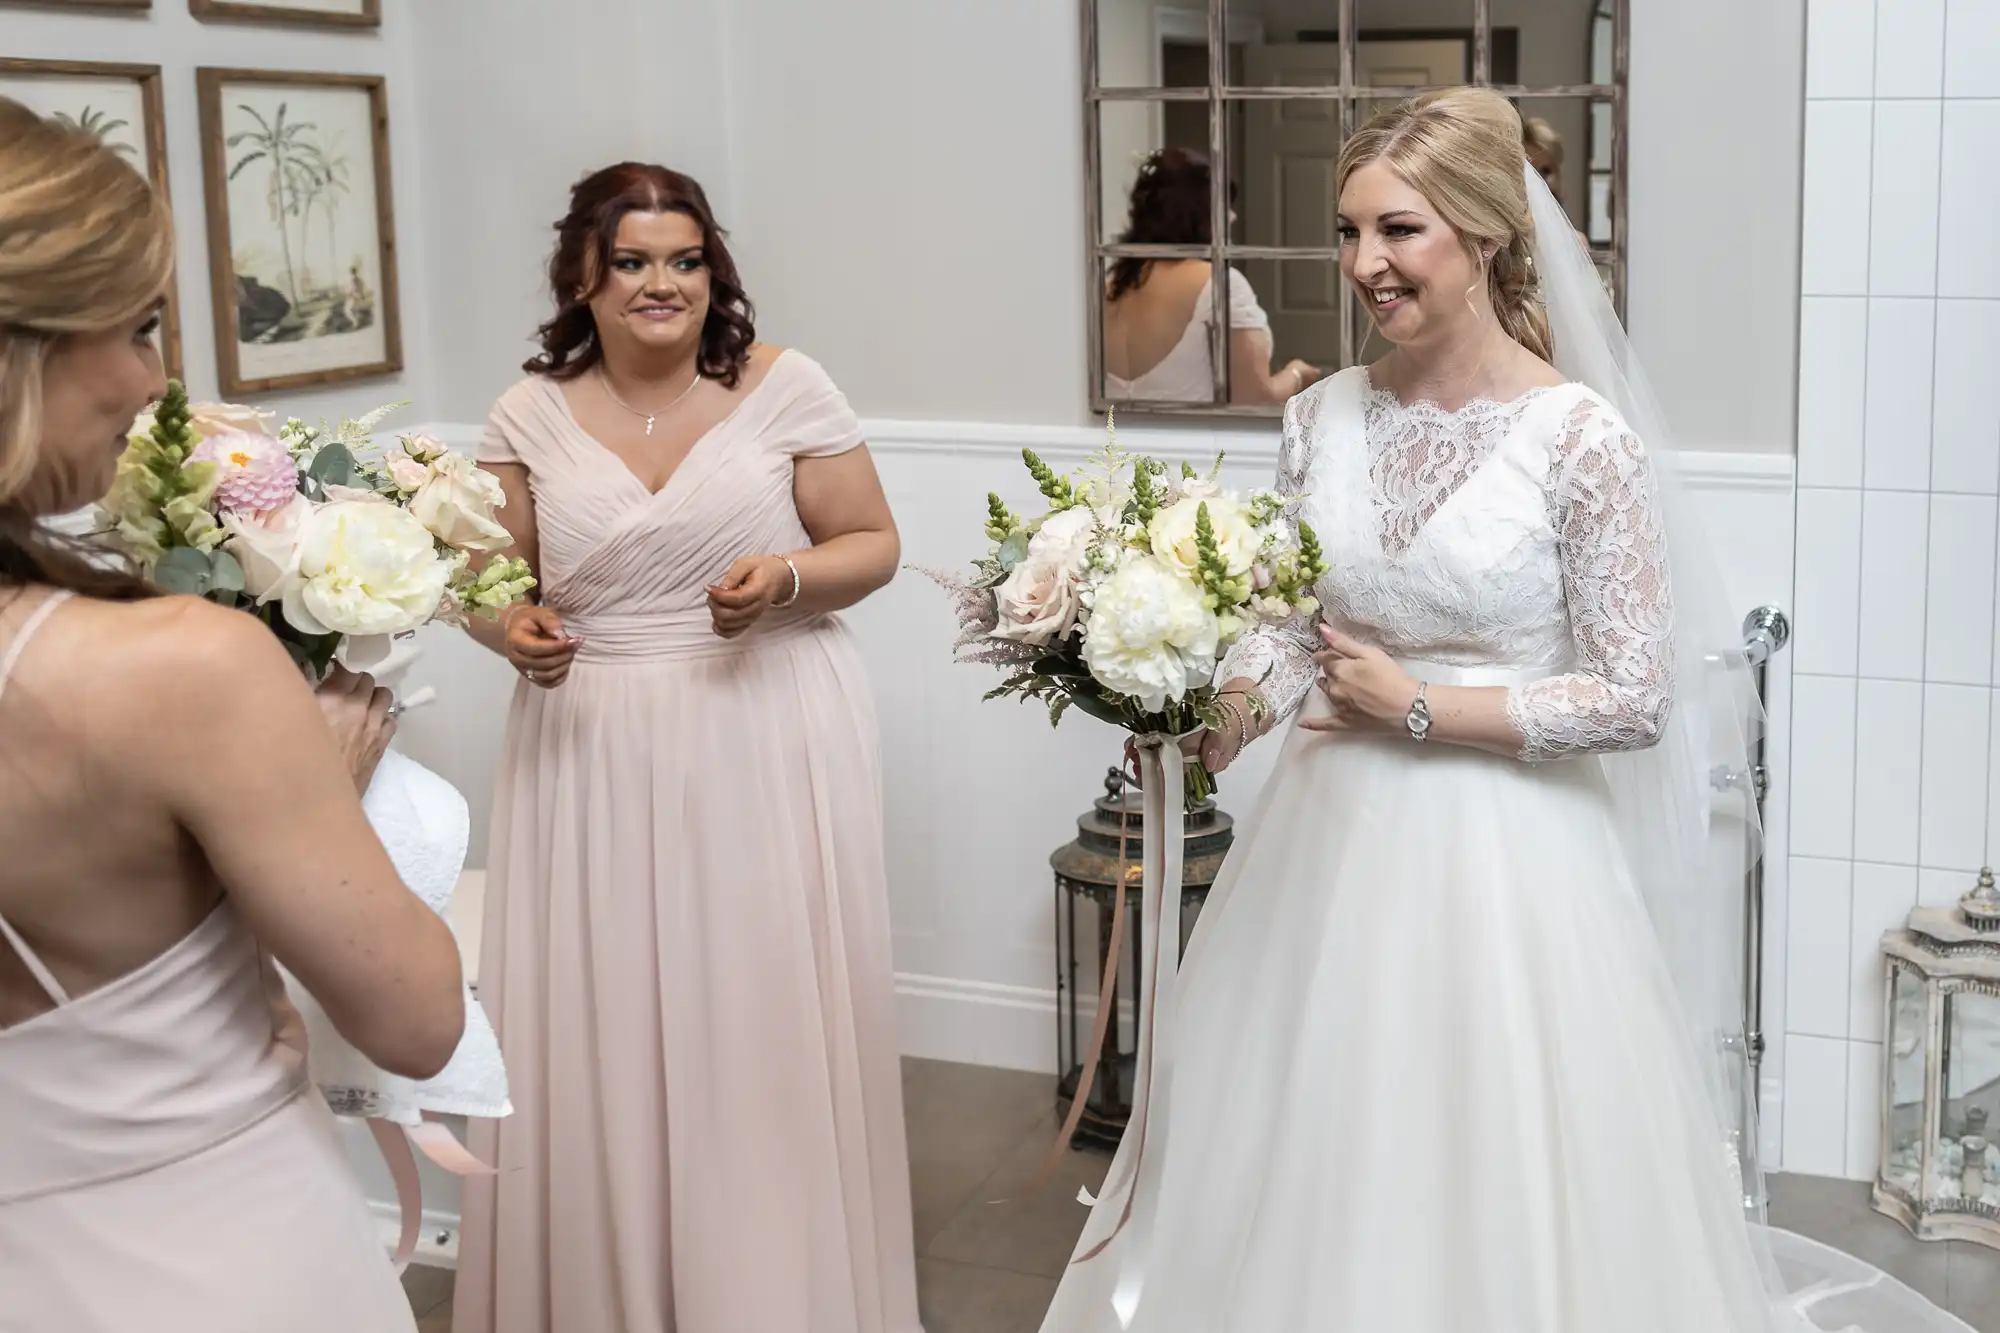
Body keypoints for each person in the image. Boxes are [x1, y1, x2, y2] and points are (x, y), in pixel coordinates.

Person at [1040, 88, 1973, 1333]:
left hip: (1514, 875)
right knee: (1325, 1153)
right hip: (1327, 859)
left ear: (1482, 237)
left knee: (1495, 1165)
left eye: (1399, 231)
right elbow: (1283, 632)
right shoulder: (1316, 417)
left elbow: (1631, 695)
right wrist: (1209, 721)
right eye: (1348, 231)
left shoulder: (1577, 438)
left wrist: (1416, 703)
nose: (1364, 264)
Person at [0, 99, 466, 1332]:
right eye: (140, 327)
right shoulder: (176, 670)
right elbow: (416, 1019)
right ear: (25, 349)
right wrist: (319, 780)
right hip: (208, 1259)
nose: (154, 379)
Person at [451, 162, 922, 1333]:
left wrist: (788, 579)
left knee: (752, 1020)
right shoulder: (527, 412)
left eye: (685, 259)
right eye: (632, 261)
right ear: (581, 276)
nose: (662, 283)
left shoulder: (784, 384)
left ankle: (771, 1291)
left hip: (762, 727)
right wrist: (508, 628)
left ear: (715, 271)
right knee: (602, 1028)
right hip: (590, 741)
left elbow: (872, 541)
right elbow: (483, 576)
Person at [1102, 148, 1320, 405]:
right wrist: (1297, 374)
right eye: (1224, 207)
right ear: (1200, 215)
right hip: (1197, 444)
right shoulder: (1220, 285)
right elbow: (1253, 399)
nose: (1233, 217)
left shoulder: (1107, 286)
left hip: (1115, 445)